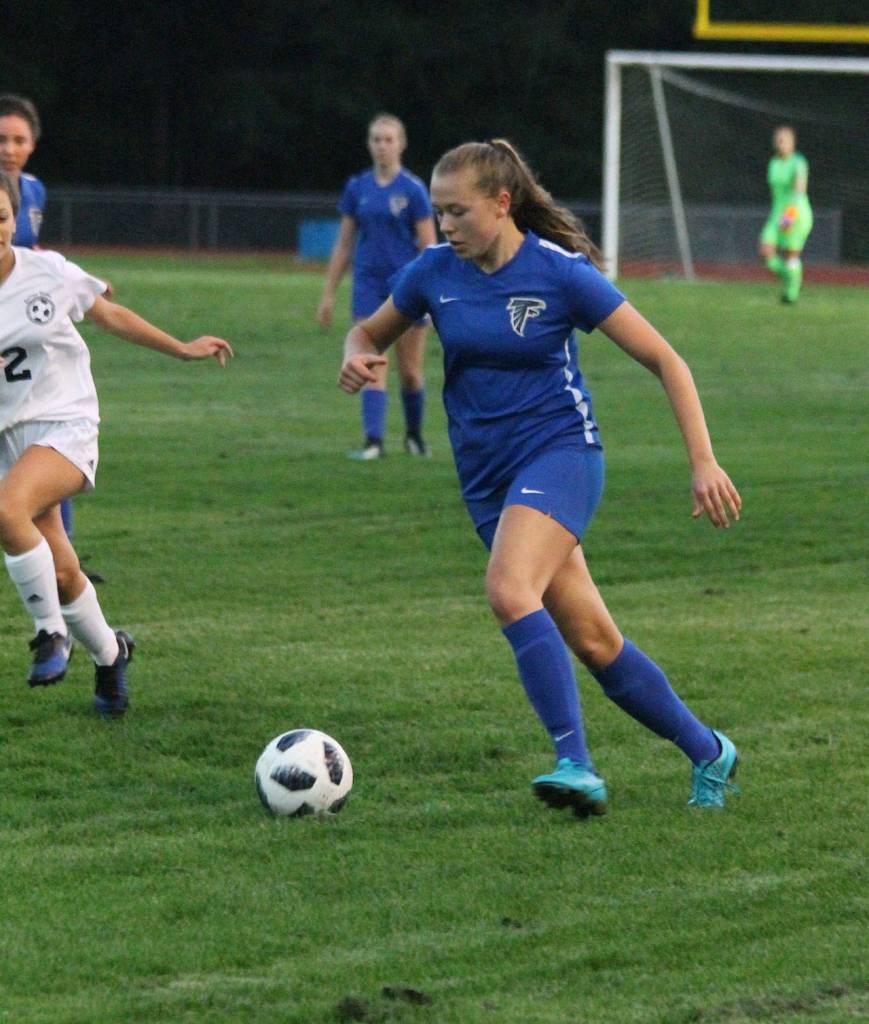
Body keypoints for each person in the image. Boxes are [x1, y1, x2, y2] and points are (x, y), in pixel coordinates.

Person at [339, 140, 743, 814]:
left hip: (560, 454)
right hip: (486, 477)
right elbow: (367, 332)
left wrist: (702, 460)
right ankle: (708, 751)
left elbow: (666, 360)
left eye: (458, 212)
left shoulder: (560, 274)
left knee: (507, 588)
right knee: (592, 639)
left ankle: (574, 763)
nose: (445, 227)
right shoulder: (433, 271)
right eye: (438, 213)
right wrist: (356, 359)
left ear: (501, 204)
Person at [0, 169, 233, 716]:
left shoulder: (45, 272)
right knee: (58, 569)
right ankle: (110, 655)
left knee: (8, 509)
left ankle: (49, 634)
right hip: (9, 440)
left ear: (15, 218)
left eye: (2, 217)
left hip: (64, 423)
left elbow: (108, 313)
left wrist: (181, 348)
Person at [318, 113, 436, 459]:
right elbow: (343, 244)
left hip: (407, 289)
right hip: (368, 286)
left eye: (388, 139)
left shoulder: (414, 190)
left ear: (401, 144)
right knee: (370, 363)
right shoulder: (358, 188)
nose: (382, 146)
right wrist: (328, 294)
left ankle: (414, 436)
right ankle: (374, 442)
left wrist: (430, 293)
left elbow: (429, 246)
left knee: (411, 372)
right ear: (369, 144)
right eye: (376, 139)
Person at [759, 125, 813, 304]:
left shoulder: (798, 162)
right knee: (766, 251)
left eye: (784, 140)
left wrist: (788, 217)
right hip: (777, 212)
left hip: (795, 213)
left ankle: (791, 293)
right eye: (778, 140)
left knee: (790, 255)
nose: (780, 143)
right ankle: (791, 279)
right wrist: (779, 216)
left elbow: (799, 192)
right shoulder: (773, 163)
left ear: (792, 143)